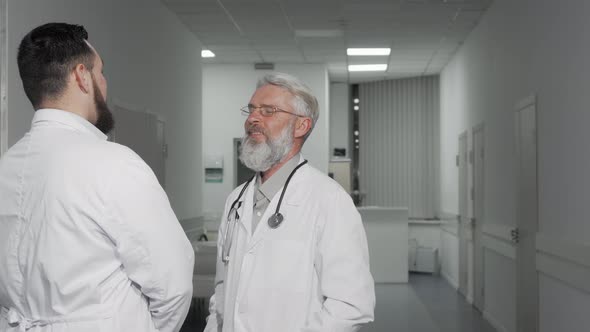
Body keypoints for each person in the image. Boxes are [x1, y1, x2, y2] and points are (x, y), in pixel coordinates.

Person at [0, 23, 194, 332]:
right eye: (100, 72)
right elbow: (174, 285)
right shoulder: (114, 163)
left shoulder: (7, 166)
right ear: (81, 76)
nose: (104, 83)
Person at [205, 72, 375, 332]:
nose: (252, 119)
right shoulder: (236, 200)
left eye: (268, 110)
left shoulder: (329, 200)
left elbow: (351, 305)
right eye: (251, 110)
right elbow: (223, 289)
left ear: (301, 126)